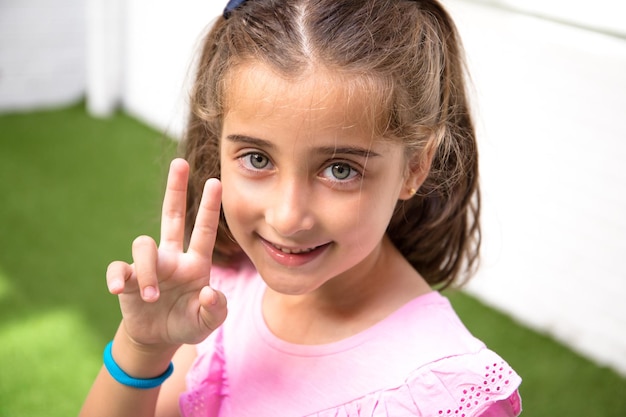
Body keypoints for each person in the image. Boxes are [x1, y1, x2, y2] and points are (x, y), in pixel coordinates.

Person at [80, 0, 522, 416]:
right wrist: (142, 350)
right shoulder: (219, 293)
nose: (288, 217)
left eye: (341, 170)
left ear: (415, 167)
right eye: (257, 159)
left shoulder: (449, 391)